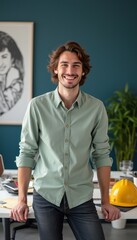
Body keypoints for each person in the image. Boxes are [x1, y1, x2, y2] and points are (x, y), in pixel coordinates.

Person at [11, 41, 120, 240]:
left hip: (81, 197)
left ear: (83, 71)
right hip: (46, 196)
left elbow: (102, 156)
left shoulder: (96, 108)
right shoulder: (37, 106)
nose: (70, 70)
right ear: (55, 69)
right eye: (64, 64)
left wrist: (106, 201)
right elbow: (27, 153)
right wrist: (21, 200)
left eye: (76, 65)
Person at [0, 31, 24, 115]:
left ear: (12, 58)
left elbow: (4, 108)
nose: (0, 63)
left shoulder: (16, 84)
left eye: (4, 57)